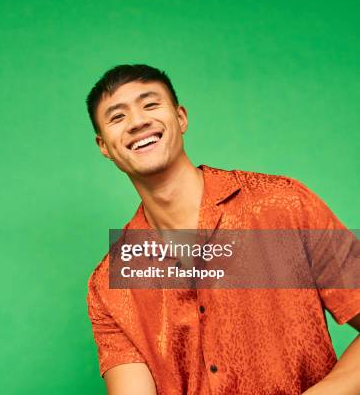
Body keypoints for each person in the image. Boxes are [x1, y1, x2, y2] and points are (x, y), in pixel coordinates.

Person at [85, 64, 360, 394]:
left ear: (181, 117)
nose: (137, 121)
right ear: (104, 145)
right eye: (117, 116)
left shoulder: (283, 205)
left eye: (150, 104)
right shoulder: (111, 281)